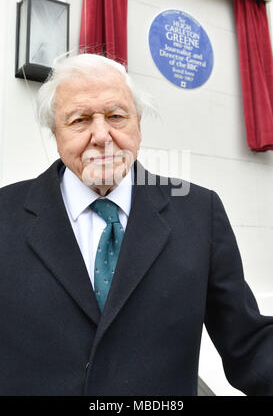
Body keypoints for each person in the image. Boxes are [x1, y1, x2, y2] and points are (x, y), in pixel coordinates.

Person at [0, 53, 272, 396]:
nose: (102, 135)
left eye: (116, 116)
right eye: (80, 120)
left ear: (138, 125)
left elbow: (248, 342)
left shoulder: (200, 212)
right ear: (55, 132)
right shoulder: (4, 214)